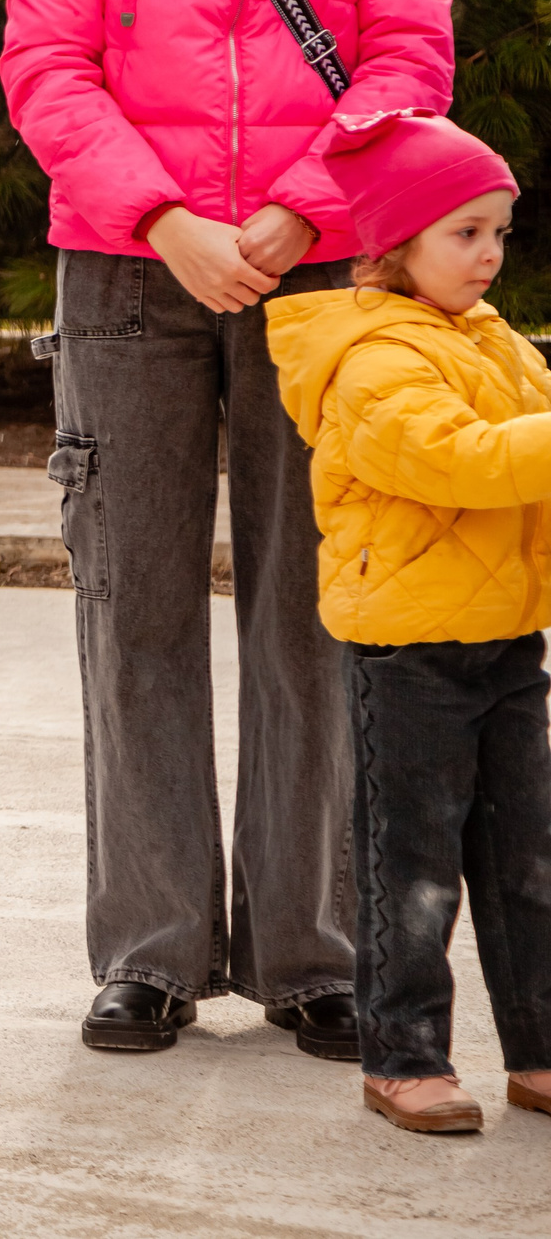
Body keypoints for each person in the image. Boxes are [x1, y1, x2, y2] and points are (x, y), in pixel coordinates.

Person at [0, 0, 454, 1055]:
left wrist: (295, 212)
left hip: (314, 267)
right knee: (132, 601)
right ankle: (150, 947)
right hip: (133, 267)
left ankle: (311, 946)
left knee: (310, 603)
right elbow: (46, 67)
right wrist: (168, 216)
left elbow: (407, 55)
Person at [263, 109, 551, 1135]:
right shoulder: (369, 357)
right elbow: (461, 461)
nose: (489, 254)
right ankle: (404, 1056)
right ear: (394, 246)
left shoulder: (495, 343)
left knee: (529, 856)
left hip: (510, 640)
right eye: (464, 232)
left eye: (500, 232)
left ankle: (539, 1048)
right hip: (412, 651)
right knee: (413, 867)